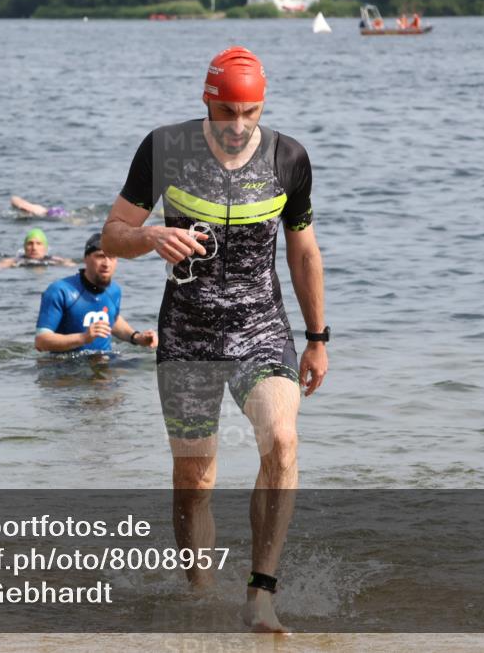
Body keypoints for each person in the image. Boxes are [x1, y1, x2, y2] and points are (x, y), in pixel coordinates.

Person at [101, 46, 328, 633]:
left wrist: (317, 336)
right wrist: (150, 238)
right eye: (226, 110)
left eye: (249, 111)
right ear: (207, 101)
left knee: (281, 437)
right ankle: (199, 593)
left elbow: (303, 252)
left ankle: (260, 593)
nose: (237, 124)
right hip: (187, 335)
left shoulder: (289, 157)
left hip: (261, 330)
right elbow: (112, 234)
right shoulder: (165, 148)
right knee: (194, 480)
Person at [35, 233, 156, 353]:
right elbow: (41, 341)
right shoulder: (60, 291)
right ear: (85, 258)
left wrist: (136, 337)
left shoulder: (114, 290)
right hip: (67, 367)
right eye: (100, 256)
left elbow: (112, 318)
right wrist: (83, 338)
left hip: (105, 361)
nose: (106, 263)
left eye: (112, 257)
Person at [0, 228, 75, 269]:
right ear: (24, 247)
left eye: (39, 244)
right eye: (30, 243)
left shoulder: (54, 260)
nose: (34, 248)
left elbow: (71, 266)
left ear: (45, 248)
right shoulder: (16, 260)